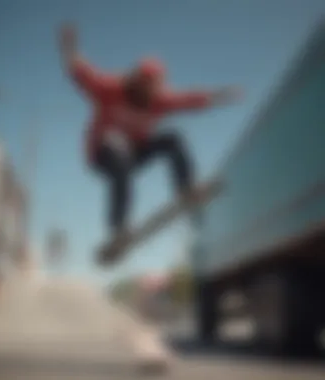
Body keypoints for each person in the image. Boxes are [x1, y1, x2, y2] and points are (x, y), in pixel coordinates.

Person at [58, 25, 243, 261]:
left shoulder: (160, 101)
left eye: (150, 89)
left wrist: (222, 95)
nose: (144, 94)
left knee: (173, 139)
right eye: (141, 85)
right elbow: (81, 72)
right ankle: (118, 228)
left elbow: (191, 100)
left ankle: (186, 188)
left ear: (156, 88)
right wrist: (69, 46)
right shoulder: (110, 88)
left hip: (133, 155)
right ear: (134, 79)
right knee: (117, 148)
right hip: (101, 155)